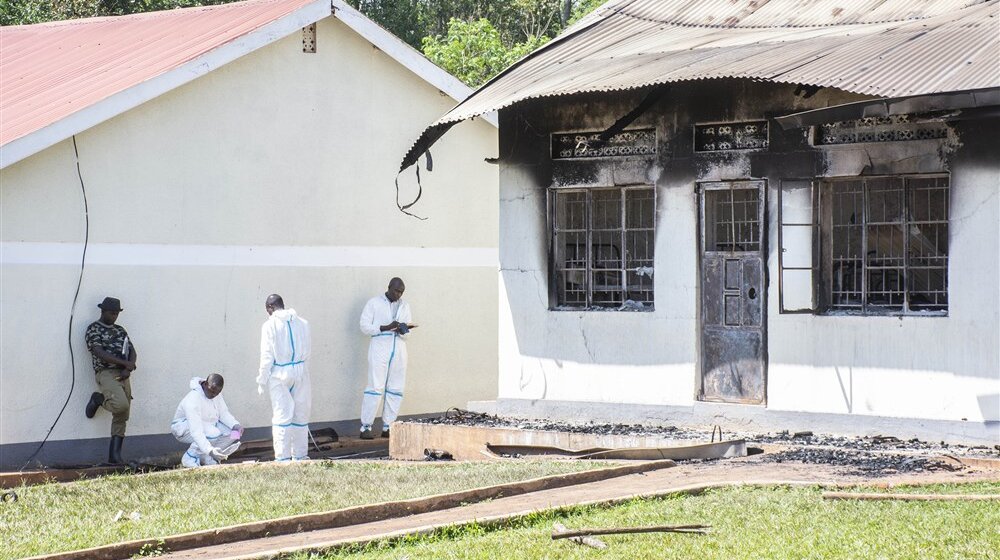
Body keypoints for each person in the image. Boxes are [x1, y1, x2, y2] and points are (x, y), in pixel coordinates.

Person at [358, 277, 416, 439]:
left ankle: (388, 426)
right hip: (379, 348)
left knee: (396, 388)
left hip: (398, 350)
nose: (399, 294)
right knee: (375, 388)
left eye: (401, 292)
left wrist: (404, 330)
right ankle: (365, 427)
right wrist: (385, 327)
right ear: (389, 287)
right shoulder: (374, 303)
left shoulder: (405, 305)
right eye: (396, 291)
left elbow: (408, 332)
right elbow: (364, 326)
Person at [257, 294, 312, 461]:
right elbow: (308, 349)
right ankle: (301, 456)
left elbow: (267, 355)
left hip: (280, 373)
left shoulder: (269, 325)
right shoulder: (303, 323)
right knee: (300, 415)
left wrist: (262, 378)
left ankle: (282, 458)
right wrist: (301, 367)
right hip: (301, 370)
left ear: (269, 308)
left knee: (282, 416)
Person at [84, 296, 137, 464]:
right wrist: (125, 364)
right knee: (120, 405)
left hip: (123, 373)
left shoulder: (120, 330)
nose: (114, 316)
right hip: (105, 372)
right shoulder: (94, 329)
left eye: (116, 313)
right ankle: (98, 399)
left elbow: (132, 350)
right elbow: (99, 352)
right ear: (103, 311)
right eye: (111, 313)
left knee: (123, 414)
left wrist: (128, 368)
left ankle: (114, 456)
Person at [171, 374, 242, 468]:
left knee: (234, 433)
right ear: (205, 384)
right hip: (183, 428)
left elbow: (223, 413)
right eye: (212, 391)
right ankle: (189, 458)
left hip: (208, 425)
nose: (213, 395)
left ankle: (205, 456)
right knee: (213, 433)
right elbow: (196, 431)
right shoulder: (193, 399)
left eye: (217, 393)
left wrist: (235, 425)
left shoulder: (216, 393)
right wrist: (209, 450)